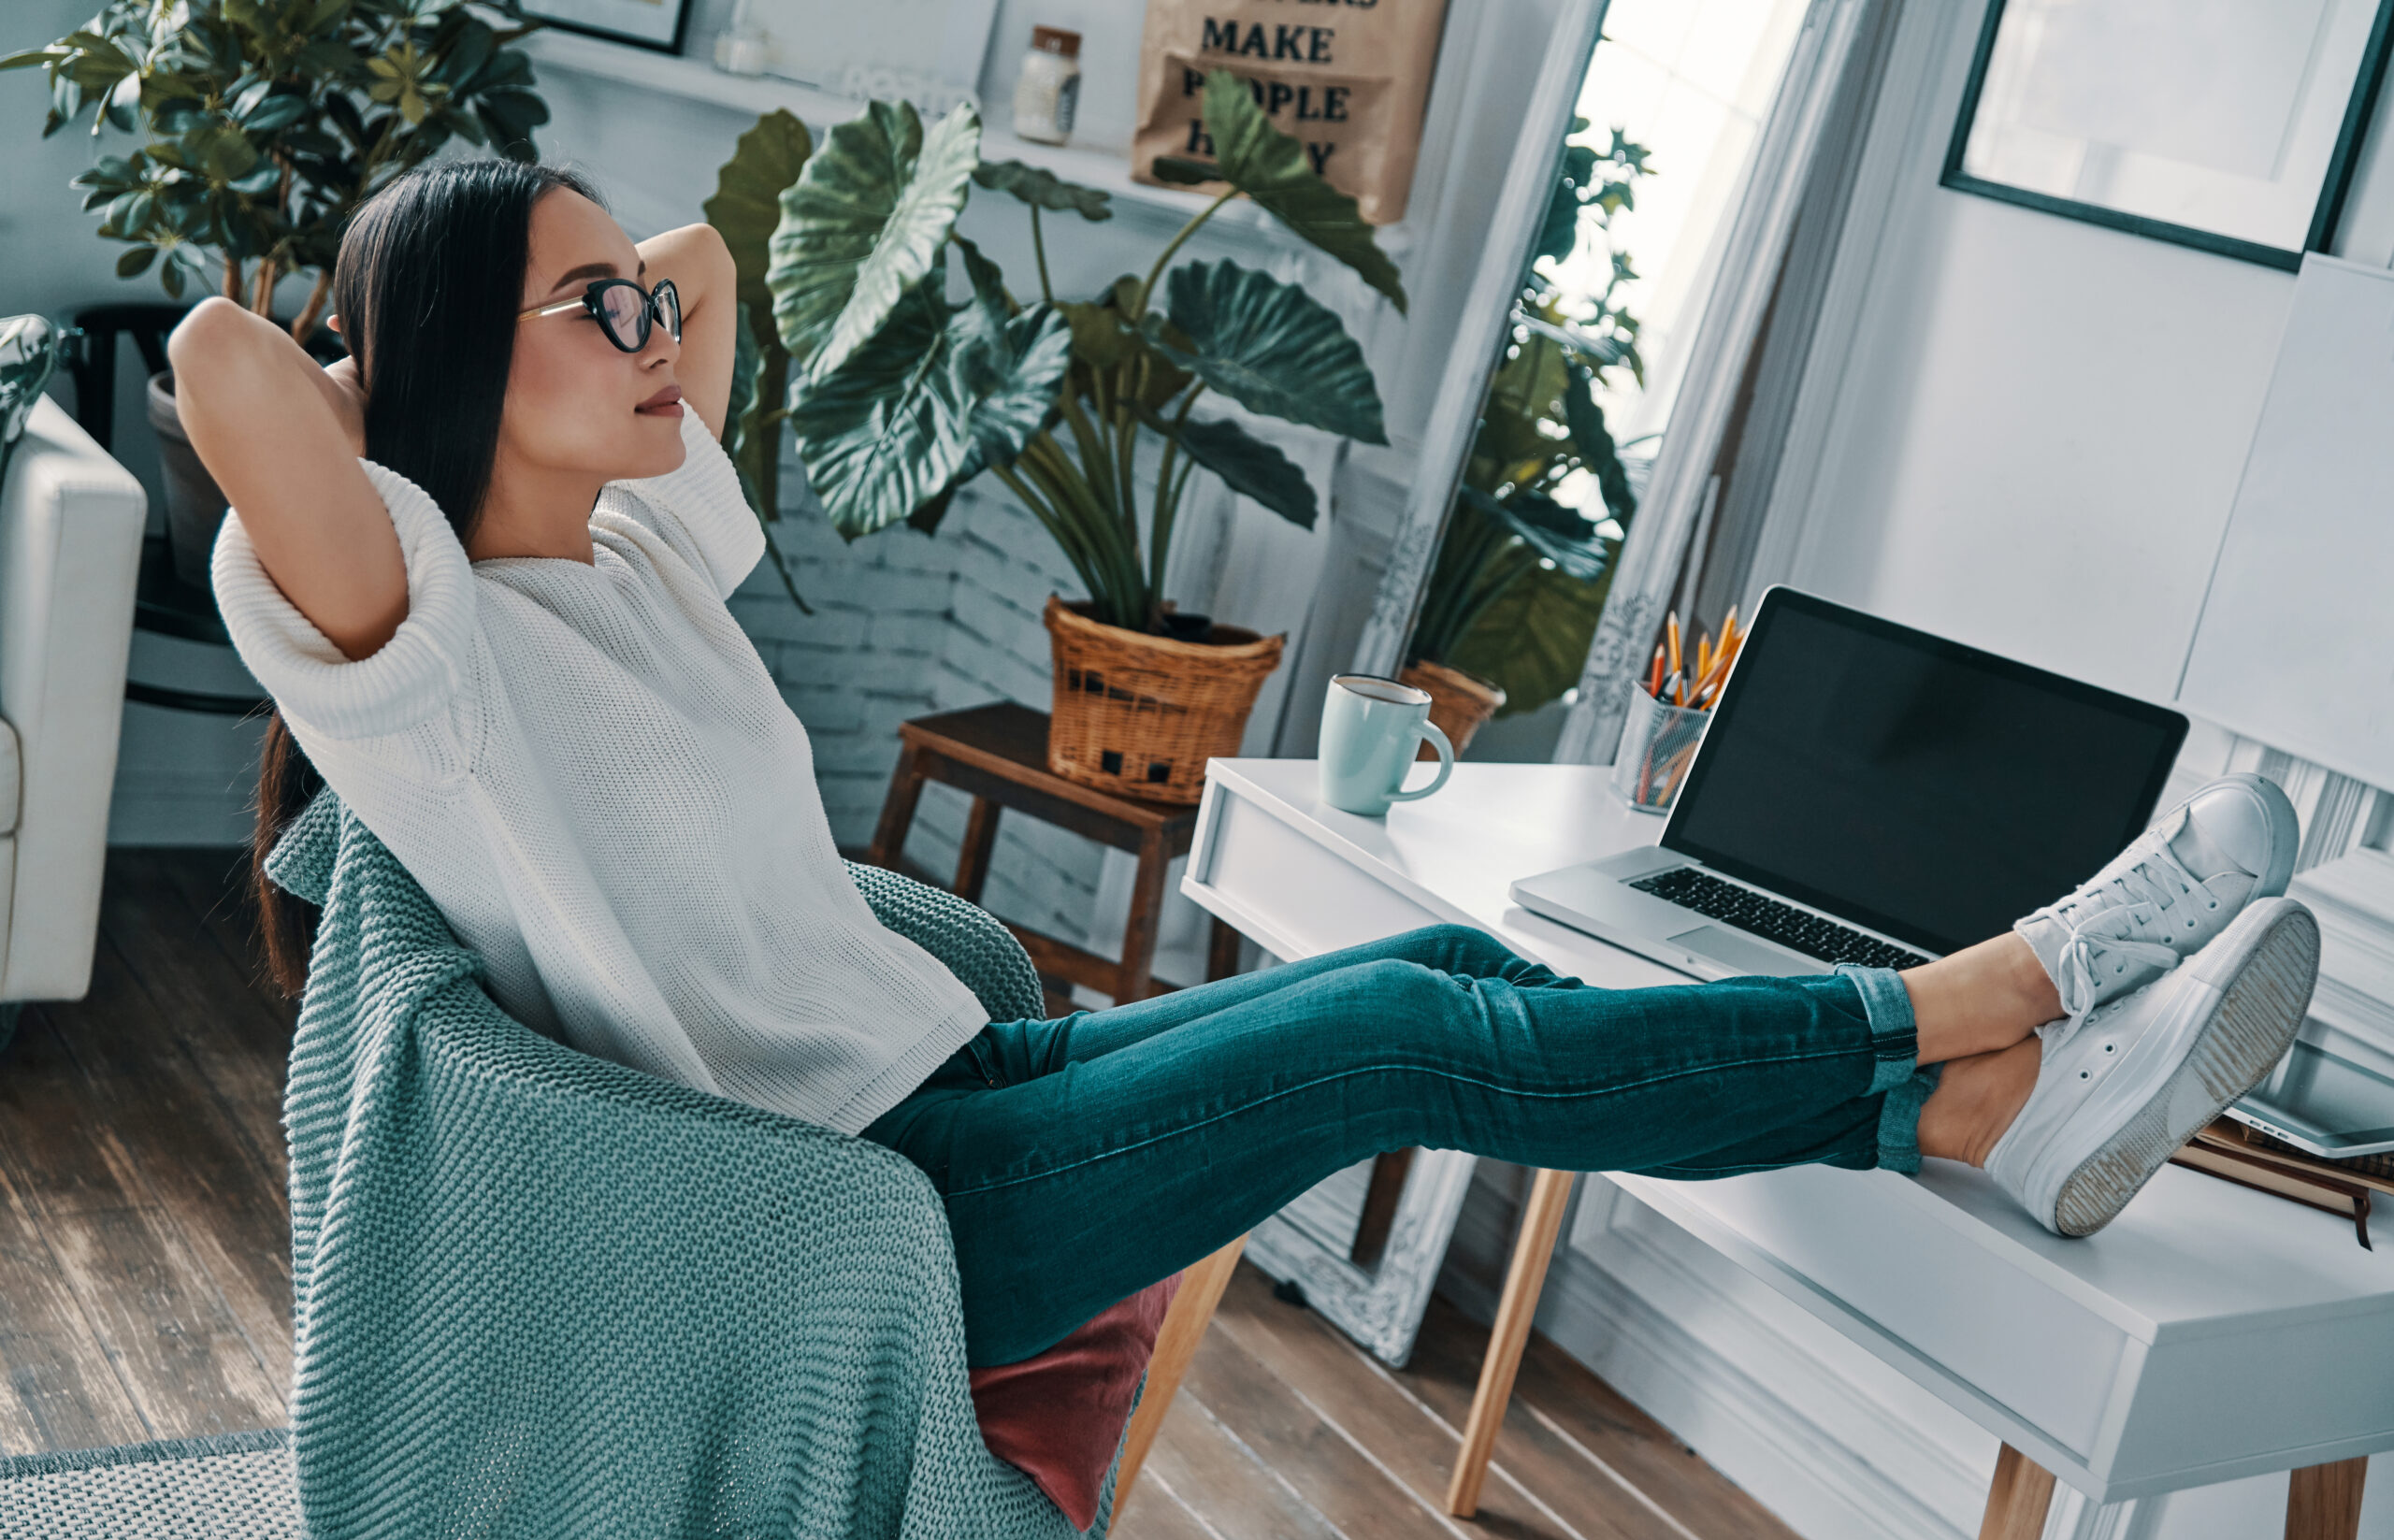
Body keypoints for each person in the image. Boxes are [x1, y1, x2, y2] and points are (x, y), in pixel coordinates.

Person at [180, 160, 2319, 1370]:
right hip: (867, 1205)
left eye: (630, 311)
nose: (658, 335)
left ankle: (1967, 1101)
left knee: (1442, 988)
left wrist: (553, 297)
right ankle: (1989, 996)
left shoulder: (635, 545)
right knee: (1397, 1021)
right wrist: (408, 347)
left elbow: (714, 262)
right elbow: (217, 365)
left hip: (949, 1087)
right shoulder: (430, 653)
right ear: (458, 364)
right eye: (593, 311)